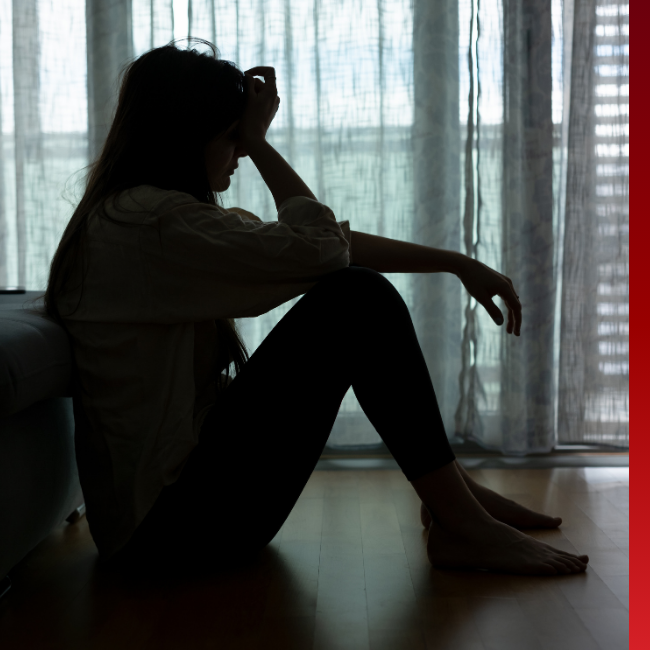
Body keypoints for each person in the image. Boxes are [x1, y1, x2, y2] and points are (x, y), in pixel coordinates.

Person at [44, 40, 588, 576]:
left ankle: (455, 500)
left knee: (353, 294)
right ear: (189, 133)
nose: (237, 152)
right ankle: (459, 519)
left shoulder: (144, 217)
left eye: (241, 139)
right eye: (231, 136)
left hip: (166, 522)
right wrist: (260, 143)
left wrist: (454, 262)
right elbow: (324, 250)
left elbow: (325, 245)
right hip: (168, 535)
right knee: (356, 299)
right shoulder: (151, 225)